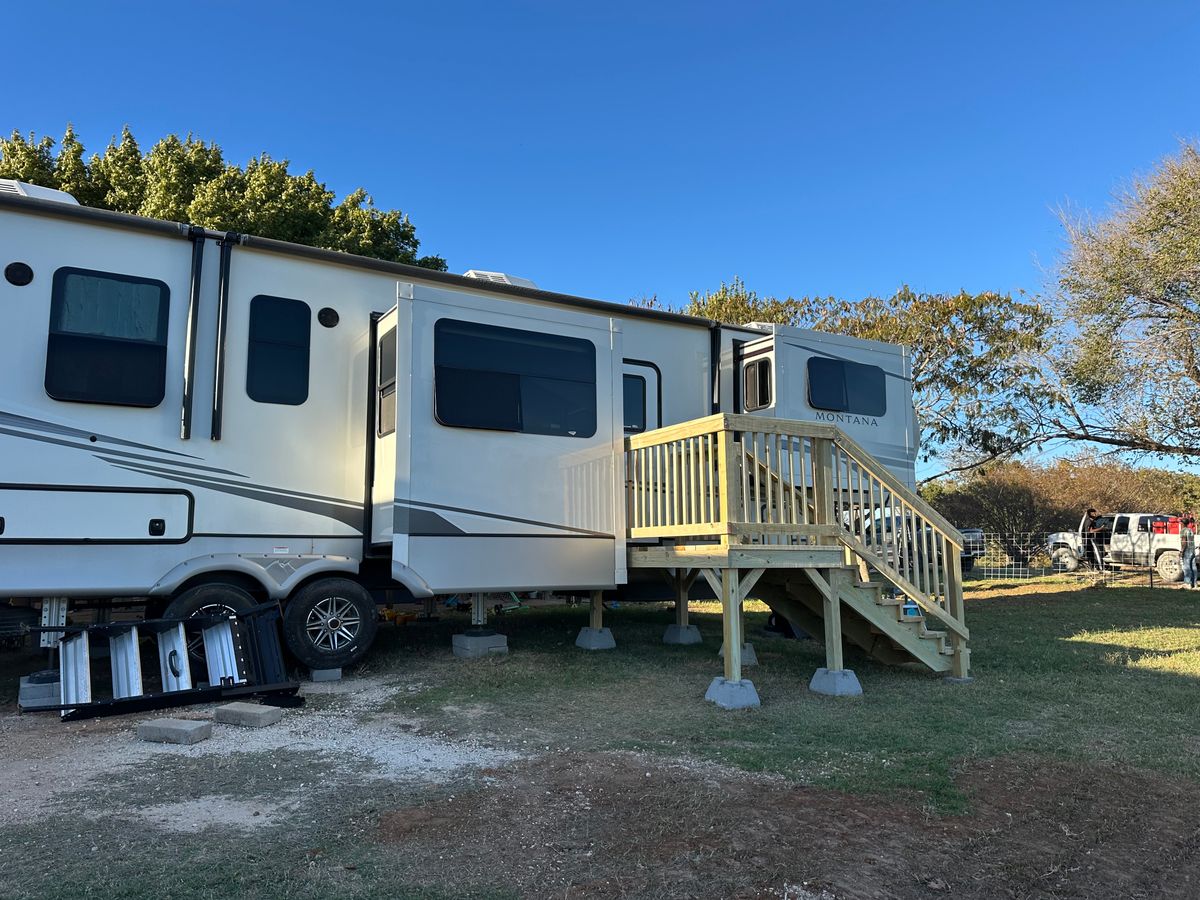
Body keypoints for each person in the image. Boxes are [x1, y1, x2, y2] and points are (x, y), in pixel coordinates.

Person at [1180, 516, 1197, 589]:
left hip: (1187, 550)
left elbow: (1184, 541)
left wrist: (1182, 551)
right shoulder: (1190, 530)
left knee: (1186, 567)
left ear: (1182, 523)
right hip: (1192, 550)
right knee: (1193, 566)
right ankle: (1194, 583)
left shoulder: (1183, 530)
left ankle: (1187, 583)